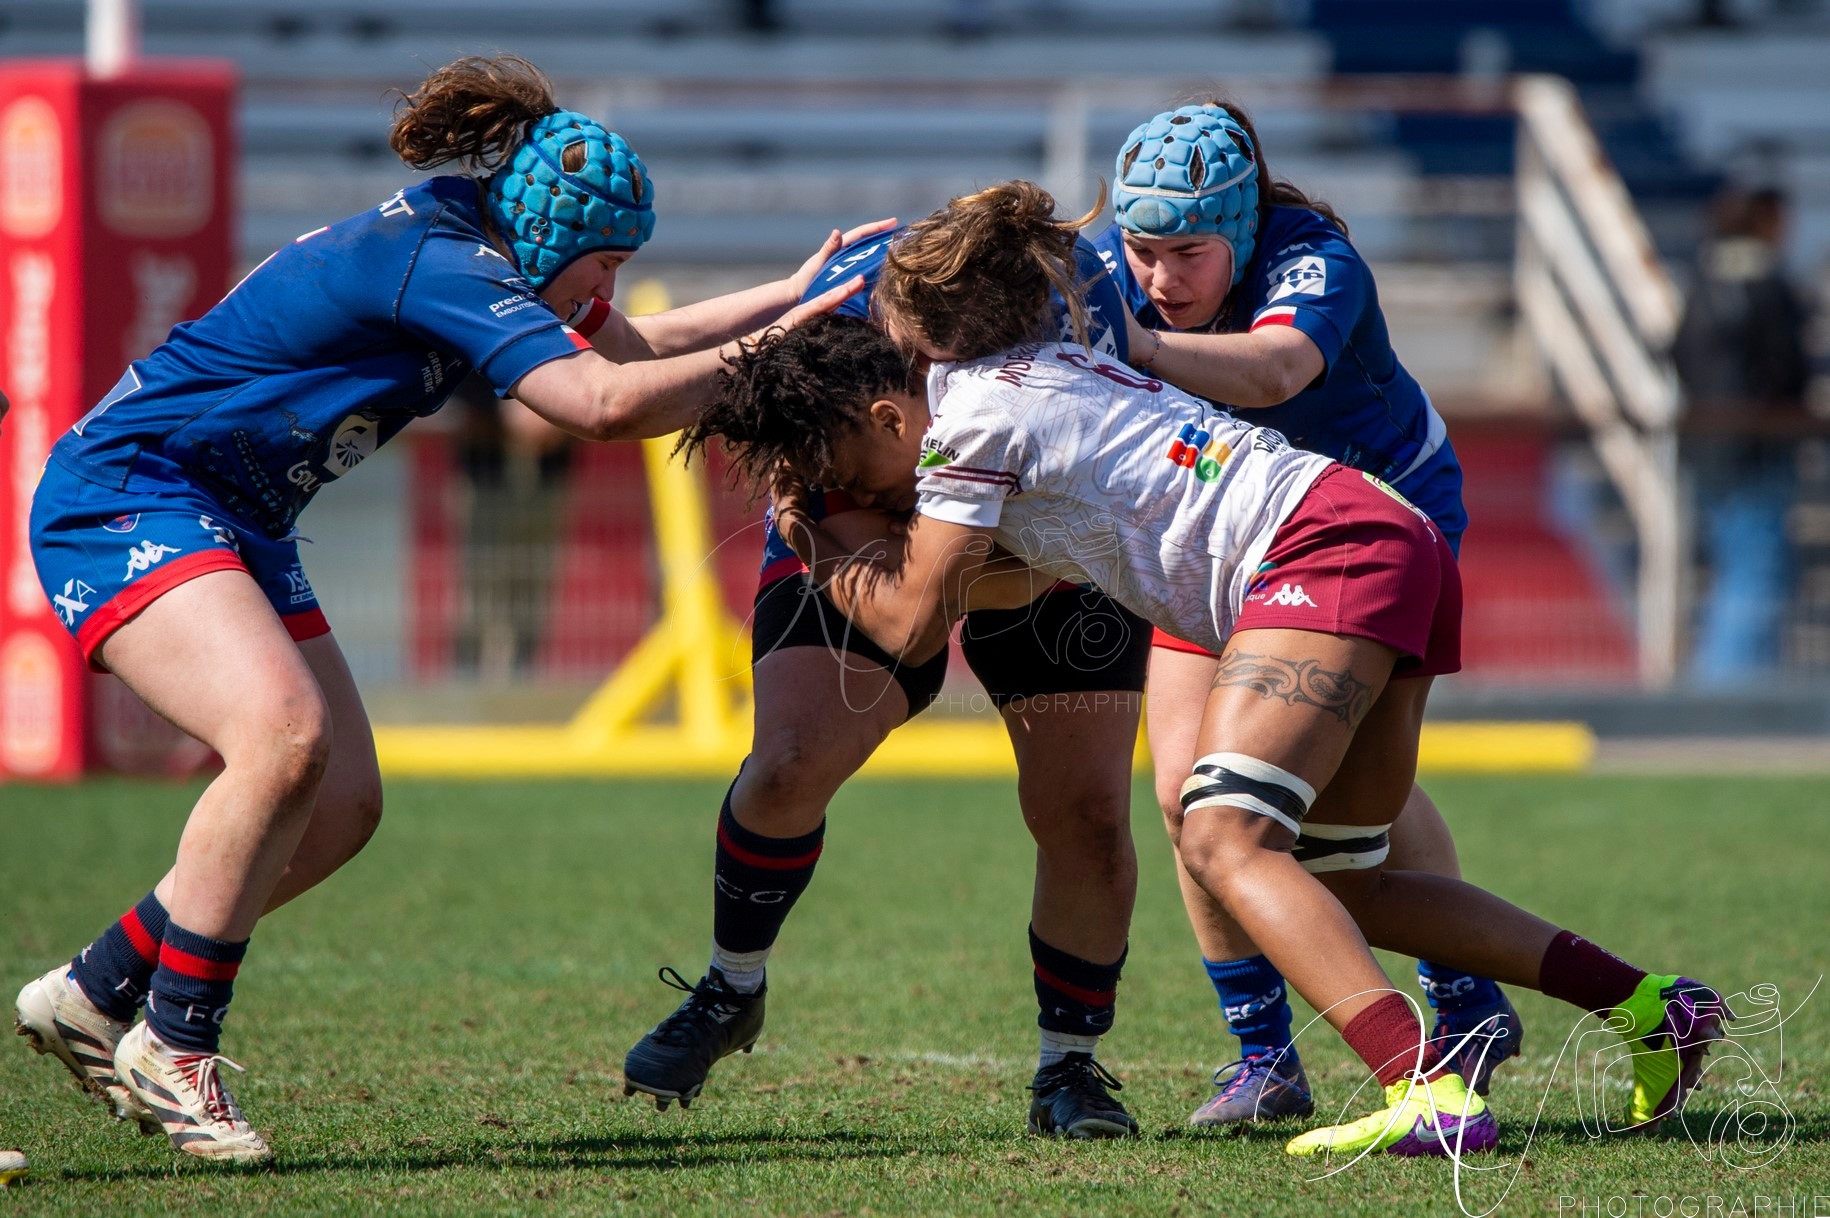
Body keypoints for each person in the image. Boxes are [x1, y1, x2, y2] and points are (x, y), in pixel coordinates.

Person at [686, 182, 1726, 1159]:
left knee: (1224, 833)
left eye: (843, 468)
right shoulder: (1055, 374)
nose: (847, 489)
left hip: (1319, 556)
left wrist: (808, 536)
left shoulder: (964, 420)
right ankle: (1650, 1008)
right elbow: (988, 590)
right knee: (1344, 881)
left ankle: (1424, 1091)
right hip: (1378, 534)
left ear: (886, 412)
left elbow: (912, 623)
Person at [11, 54, 883, 1163]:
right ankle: (174, 1044)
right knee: (282, 738)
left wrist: (786, 297)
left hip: (234, 516)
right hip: (132, 493)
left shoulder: (479, 240)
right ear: (551, 237)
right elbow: (601, 402)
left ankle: (94, 992)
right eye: (602, 265)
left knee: (340, 806)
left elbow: (630, 345)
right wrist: (771, 356)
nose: (603, 289)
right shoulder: (443, 260)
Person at [620, 217, 1157, 1139]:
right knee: (788, 761)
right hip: (868, 521)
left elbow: (953, 601)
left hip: (1056, 535)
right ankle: (730, 984)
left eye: (855, 471)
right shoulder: (834, 377)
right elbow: (902, 606)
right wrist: (823, 517)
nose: (866, 491)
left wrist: (841, 547)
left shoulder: (1076, 333)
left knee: (1089, 815)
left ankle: (1071, 1069)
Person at [1087, 100, 1516, 1125]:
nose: (1156, 277)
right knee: (1193, 799)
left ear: (1238, 231)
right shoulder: (1113, 267)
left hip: (1377, 527)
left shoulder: (1314, 258)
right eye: (1139, 251)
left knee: (1343, 796)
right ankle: (1264, 1057)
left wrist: (1132, 343)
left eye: (1186, 253)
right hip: (1226, 531)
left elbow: (1279, 368)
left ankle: (1460, 994)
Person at [1673, 185, 1812, 684]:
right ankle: (1731, 697)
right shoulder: (1768, 288)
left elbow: (1680, 357)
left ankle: (1721, 688)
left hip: (1711, 451)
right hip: (1754, 452)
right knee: (1757, 573)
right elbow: (1787, 370)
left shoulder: (1703, 281)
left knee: (1737, 571)